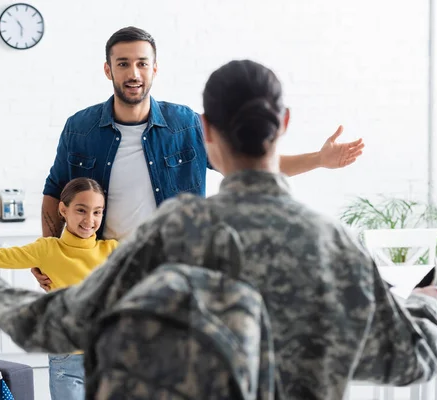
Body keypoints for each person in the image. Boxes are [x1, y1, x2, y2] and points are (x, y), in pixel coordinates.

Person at [0, 59, 437, 399]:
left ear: (205, 130)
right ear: (286, 122)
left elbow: (60, 325)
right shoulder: (333, 243)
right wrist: (434, 298)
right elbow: (410, 360)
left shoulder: (171, 233)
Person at [33, 25, 365, 290]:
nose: (133, 72)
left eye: (141, 63)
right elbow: (54, 190)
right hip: (99, 272)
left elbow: (253, 165)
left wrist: (319, 159)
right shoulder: (80, 128)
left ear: (154, 69)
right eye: (123, 64)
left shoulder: (184, 123)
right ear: (108, 70)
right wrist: (50, 254)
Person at [0, 177, 117, 400]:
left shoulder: (112, 250)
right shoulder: (47, 249)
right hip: (67, 358)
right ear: (63, 210)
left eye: (97, 212)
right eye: (81, 210)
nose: (89, 219)